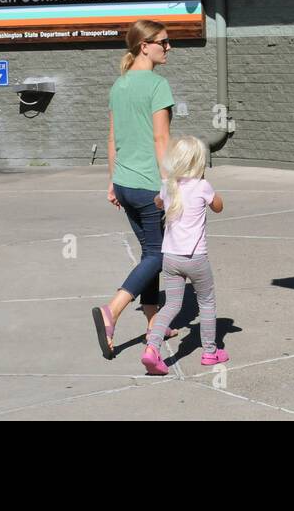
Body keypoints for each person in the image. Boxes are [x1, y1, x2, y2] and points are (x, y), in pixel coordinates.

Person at [90, 19, 175, 360]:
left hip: (125, 184)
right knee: (159, 255)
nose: (169, 48)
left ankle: (154, 321)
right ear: (145, 46)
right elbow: (161, 139)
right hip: (148, 185)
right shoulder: (157, 85)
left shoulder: (119, 85)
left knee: (149, 252)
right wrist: (169, 184)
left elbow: (112, 139)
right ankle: (112, 310)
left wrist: (112, 181)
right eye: (164, 43)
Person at [140, 135, 226, 376]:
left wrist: (163, 198)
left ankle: (152, 348)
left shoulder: (169, 186)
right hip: (196, 258)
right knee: (207, 302)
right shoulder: (202, 186)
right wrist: (209, 189)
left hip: (171, 258)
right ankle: (210, 351)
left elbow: (158, 203)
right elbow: (219, 206)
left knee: (171, 306)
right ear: (199, 162)